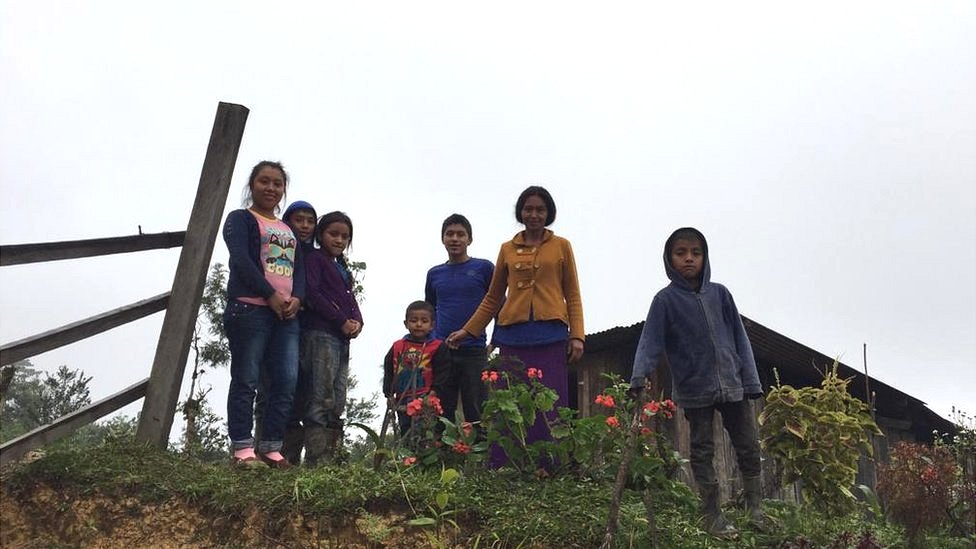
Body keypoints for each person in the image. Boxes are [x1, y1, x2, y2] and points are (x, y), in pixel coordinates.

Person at [629, 227, 766, 537]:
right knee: (702, 450)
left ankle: (755, 507)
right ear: (669, 259)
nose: (689, 259)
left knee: (747, 444)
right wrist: (639, 376)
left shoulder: (720, 294)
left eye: (696, 253)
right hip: (694, 387)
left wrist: (751, 381)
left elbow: (739, 338)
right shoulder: (664, 301)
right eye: (681, 253)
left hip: (732, 384)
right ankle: (712, 513)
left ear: (705, 257)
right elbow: (650, 341)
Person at [446, 186, 585, 466]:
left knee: (550, 402)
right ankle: (509, 467)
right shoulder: (507, 249)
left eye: (540, 210)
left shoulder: (562, 246)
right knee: (511, 402)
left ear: (549, 214)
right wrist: (469, 330)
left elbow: (572, 293)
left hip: (552, 334)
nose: (534, 214)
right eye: (528, 209)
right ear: (520, 212)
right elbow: (493, 296)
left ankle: (550, 466)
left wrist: (577, 336)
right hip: (513, 335)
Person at [222, 160, 304, 469]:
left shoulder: (287, 229)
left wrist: (297, 298)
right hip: (249, 309)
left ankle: (271, 447)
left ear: (284, 190)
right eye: (264, 181)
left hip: (286, 315)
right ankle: (243, 447)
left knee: (285, 380)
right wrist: (269, 294)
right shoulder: (240, 219)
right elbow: (241, 260)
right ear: (252, 185)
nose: (271, 188)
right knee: (246, 377)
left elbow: (300, 269)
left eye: (277, 183)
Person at [253, 200, 318, 464]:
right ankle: (262, 452)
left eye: (310, 221)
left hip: (308, 334)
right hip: (272, 322)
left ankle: (286, 457)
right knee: (268, 390)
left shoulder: (317, 257)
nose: (304, 226)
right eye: (298, 219)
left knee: (297, 395)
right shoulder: (271, 248)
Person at [301, 210, 363, 465]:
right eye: (333, 234)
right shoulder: (315, 260)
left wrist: (358, 322)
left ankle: (333, 458)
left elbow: (350, 300)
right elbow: (313, 294)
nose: (339, 240)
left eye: (345, 237)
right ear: (320, 234)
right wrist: (341, 321)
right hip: (320, 335)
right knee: (320, 396)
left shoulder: (342, 268)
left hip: (340, 339)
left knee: (337, 398)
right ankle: (317, 461)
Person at [424, 214, 494, 428]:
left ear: (469, 240)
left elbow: (499, 303)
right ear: (442, 239)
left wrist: (496, 339)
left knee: (477, 409)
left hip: (474, 350)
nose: (455, 239)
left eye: (460, 234)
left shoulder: (484, 268)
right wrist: (431, 344)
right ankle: (443, 457)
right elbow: (430, 311)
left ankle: (480, 458)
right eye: (450, 234)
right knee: (442, 410)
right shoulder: (435, 274)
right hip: (443, 352)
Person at [382, 300, 451, 436]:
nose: (419, 324)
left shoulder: (437, 347)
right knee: (406, 433)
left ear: (432, 325)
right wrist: (388, 393)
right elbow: (389, 370)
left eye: (424, 321)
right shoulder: (397, 346)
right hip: (402, 399)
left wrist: (434, 392)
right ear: (406, 323)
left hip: (426, 399)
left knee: (426, 433)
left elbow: (443, 372)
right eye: (414, 320)